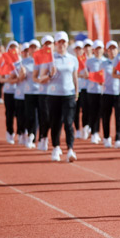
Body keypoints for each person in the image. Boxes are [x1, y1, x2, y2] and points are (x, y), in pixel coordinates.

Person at [39, 31, 79, 162]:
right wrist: (50, 75)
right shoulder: (49, 59)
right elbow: (41, 78)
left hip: (69, 94)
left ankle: (70, 149)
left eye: (64, 42)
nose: (61, 44)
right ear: (55, 44)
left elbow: (75, 77)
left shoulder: (72, 59)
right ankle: (56, 147)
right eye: (59, 42)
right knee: (55, 123)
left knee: (68, 122)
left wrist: (77, 91)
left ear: (67, 43)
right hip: (53, 95)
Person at [34, 35, 54, 151]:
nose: (48, 46)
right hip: (43, 92)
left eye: (50, 43)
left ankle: (49, 138)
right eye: (46, 44)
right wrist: (43, 79)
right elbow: (35, 77)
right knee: (45, 117)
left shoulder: (57, 58)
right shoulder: (39, 59)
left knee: (55, 118)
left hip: (57, 93)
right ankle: (43, 137)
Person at [84, 40, 105, 144]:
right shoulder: (89, 61)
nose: (98, 51)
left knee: (101, 113)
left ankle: (97, 131)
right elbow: (84, 74)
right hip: (92, 90)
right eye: (96, 49)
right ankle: (94, 133)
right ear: (94, 50)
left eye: (100, 48)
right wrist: (91, 77)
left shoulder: (106, 61)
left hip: (103, 91)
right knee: (93, 112)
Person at [100, 40, 120, 148]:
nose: (112, 51)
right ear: (107, 51)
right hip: (106, 93)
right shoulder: (103, 63)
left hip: (119, 93)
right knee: (106, 117)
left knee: (119, 117)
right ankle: (107, 137)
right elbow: (98, 77)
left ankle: (118, 138)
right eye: (110, 49)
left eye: (114, 48)